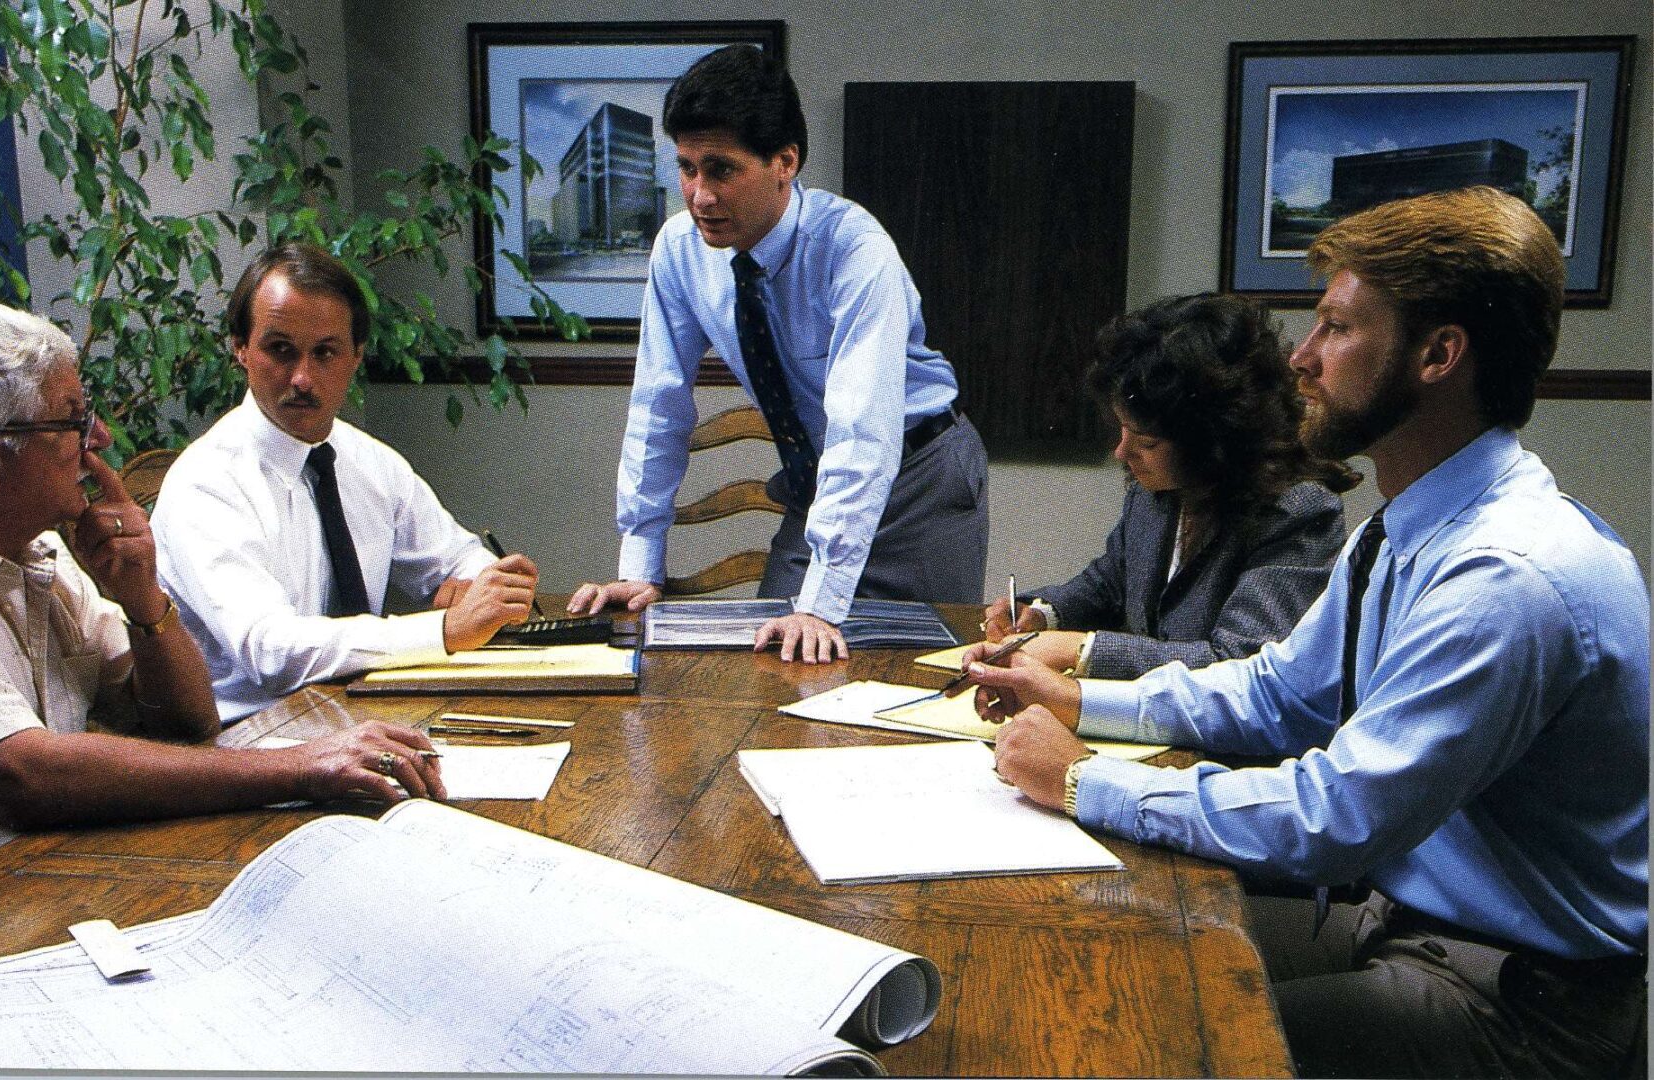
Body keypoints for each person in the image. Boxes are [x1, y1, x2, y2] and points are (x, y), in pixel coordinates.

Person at [958, 187, 1647, 1077]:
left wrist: (1088, 781)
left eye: (1335, 329)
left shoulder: (1506, 577)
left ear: (1438, 354)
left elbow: (1338, 816)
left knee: (1131, 1036)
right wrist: (1079, 694)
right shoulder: (1406, 530)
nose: (1302, 361)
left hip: (1516, 1004)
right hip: (1405, 925)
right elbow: (1276, 690)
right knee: (1092, 933)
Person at [0, 300, 444, 909]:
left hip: (37, 875)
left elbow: (187, 724)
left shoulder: (29, 546)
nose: (101, 439)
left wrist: (143, 599)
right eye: (72, 421)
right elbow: (19, 776)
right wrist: (303, 765)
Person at [568, 44, 989, 664]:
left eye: (721, 169)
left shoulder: (855, 251)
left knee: (914, 681)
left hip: (921, 477)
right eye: (685, 168)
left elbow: (863, 431)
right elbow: (659, 404)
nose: (699, 195)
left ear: (785, 161)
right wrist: (641, 565)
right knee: (774, 665)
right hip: (820, 480)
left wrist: (819, 603)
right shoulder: (679, 249)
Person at [152, 243, 538, 722]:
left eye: (325, 353)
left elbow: (457, 557)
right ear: (240, 349)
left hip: (362, 720)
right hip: (248, 741)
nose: (302, 378)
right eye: (280, 350)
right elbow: (271, 651)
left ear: (355, 358)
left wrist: (478, 584)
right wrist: (443, 630)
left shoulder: (370, 463)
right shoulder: (206, 483)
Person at [981, 293, 1357, 678]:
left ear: (1213, 443)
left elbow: (1240, 665)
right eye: (1122, 429)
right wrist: (1041, 615)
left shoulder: (1299, 513)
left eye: (1147, 442)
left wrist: (1083, 650)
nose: (1121, 452)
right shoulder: (1157, 492)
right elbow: (1110, 583)